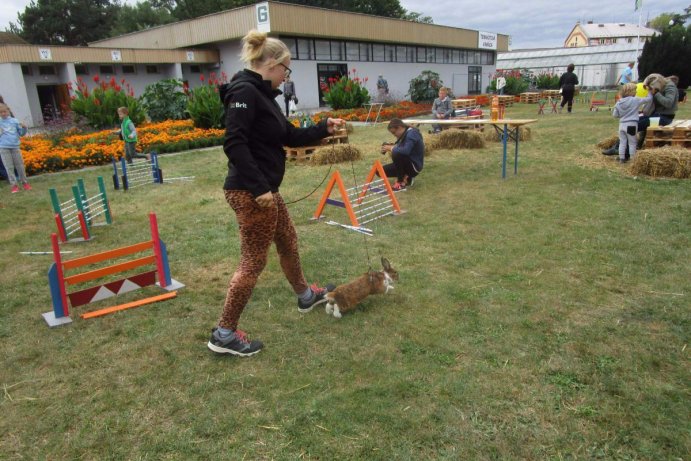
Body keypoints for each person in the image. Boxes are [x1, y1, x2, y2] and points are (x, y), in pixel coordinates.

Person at [208, 30, 345, 357]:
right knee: (252, 262)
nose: (286, 75)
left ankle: (305, 295)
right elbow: (234, 143)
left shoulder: (264, 97)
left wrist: (324, 128)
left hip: (265, 190)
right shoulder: (244, 92)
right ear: (270, 64)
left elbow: (290, 136)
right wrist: (258, 188)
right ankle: (224, 333)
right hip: (251, 192)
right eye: (286, 68)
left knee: (287, 240)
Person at [612, 83, 653, 163]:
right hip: (631, 124)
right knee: (632, 143)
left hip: (622, 125)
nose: (636, 92)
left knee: (622, 142)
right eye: (635, 90)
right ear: (631, 91)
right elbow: (648, 99)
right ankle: (632, 159)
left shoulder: (619, 102)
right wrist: (649, 92)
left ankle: (621, 158)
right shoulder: (635, 100)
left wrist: (623, 114)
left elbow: (615, 115)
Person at [379, 118, 424, 191]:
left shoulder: (412, 133)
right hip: (407, 164)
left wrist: (392, 148)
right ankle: (407, 177)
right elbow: (403, 147)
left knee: (396, 153)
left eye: (394, 133)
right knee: (380, 171)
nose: (394, 135)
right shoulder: (405, 133)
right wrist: (392, 145)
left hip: (414, 166)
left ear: (399, 128)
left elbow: (405, 151)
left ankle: (401, 182)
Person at [636, 73, 679, 148]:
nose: (649, 90)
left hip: (665, 117)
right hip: (656, 115)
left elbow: (668, 103)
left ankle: (620, 147)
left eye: (650, 88)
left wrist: (656, 93)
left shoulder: (670, 87)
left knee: (634, 125)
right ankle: (631, 145)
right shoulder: (660, 86)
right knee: (633, 121)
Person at [0, 102, 31, 193]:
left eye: (4, 111)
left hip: (15, 146)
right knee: (9, 167)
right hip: (3, 147)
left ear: (8, 111)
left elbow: (21, 133)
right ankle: (14, 186)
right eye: (1, 112)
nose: (3, 114)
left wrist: (25, 128)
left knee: (20, 166)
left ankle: (25, 183)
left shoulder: (14, 121)